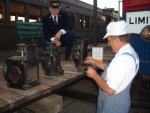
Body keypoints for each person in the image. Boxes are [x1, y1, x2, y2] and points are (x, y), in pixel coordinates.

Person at [85, 20, 139, 113]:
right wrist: (95, 62)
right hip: (121, 101)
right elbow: (111, 68)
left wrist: (94, 75)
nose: (108, 44)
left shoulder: (123, 60)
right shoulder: (129, 52)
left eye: (109, 41)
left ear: (117, 40)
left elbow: (109, 90)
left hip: (112, 106)